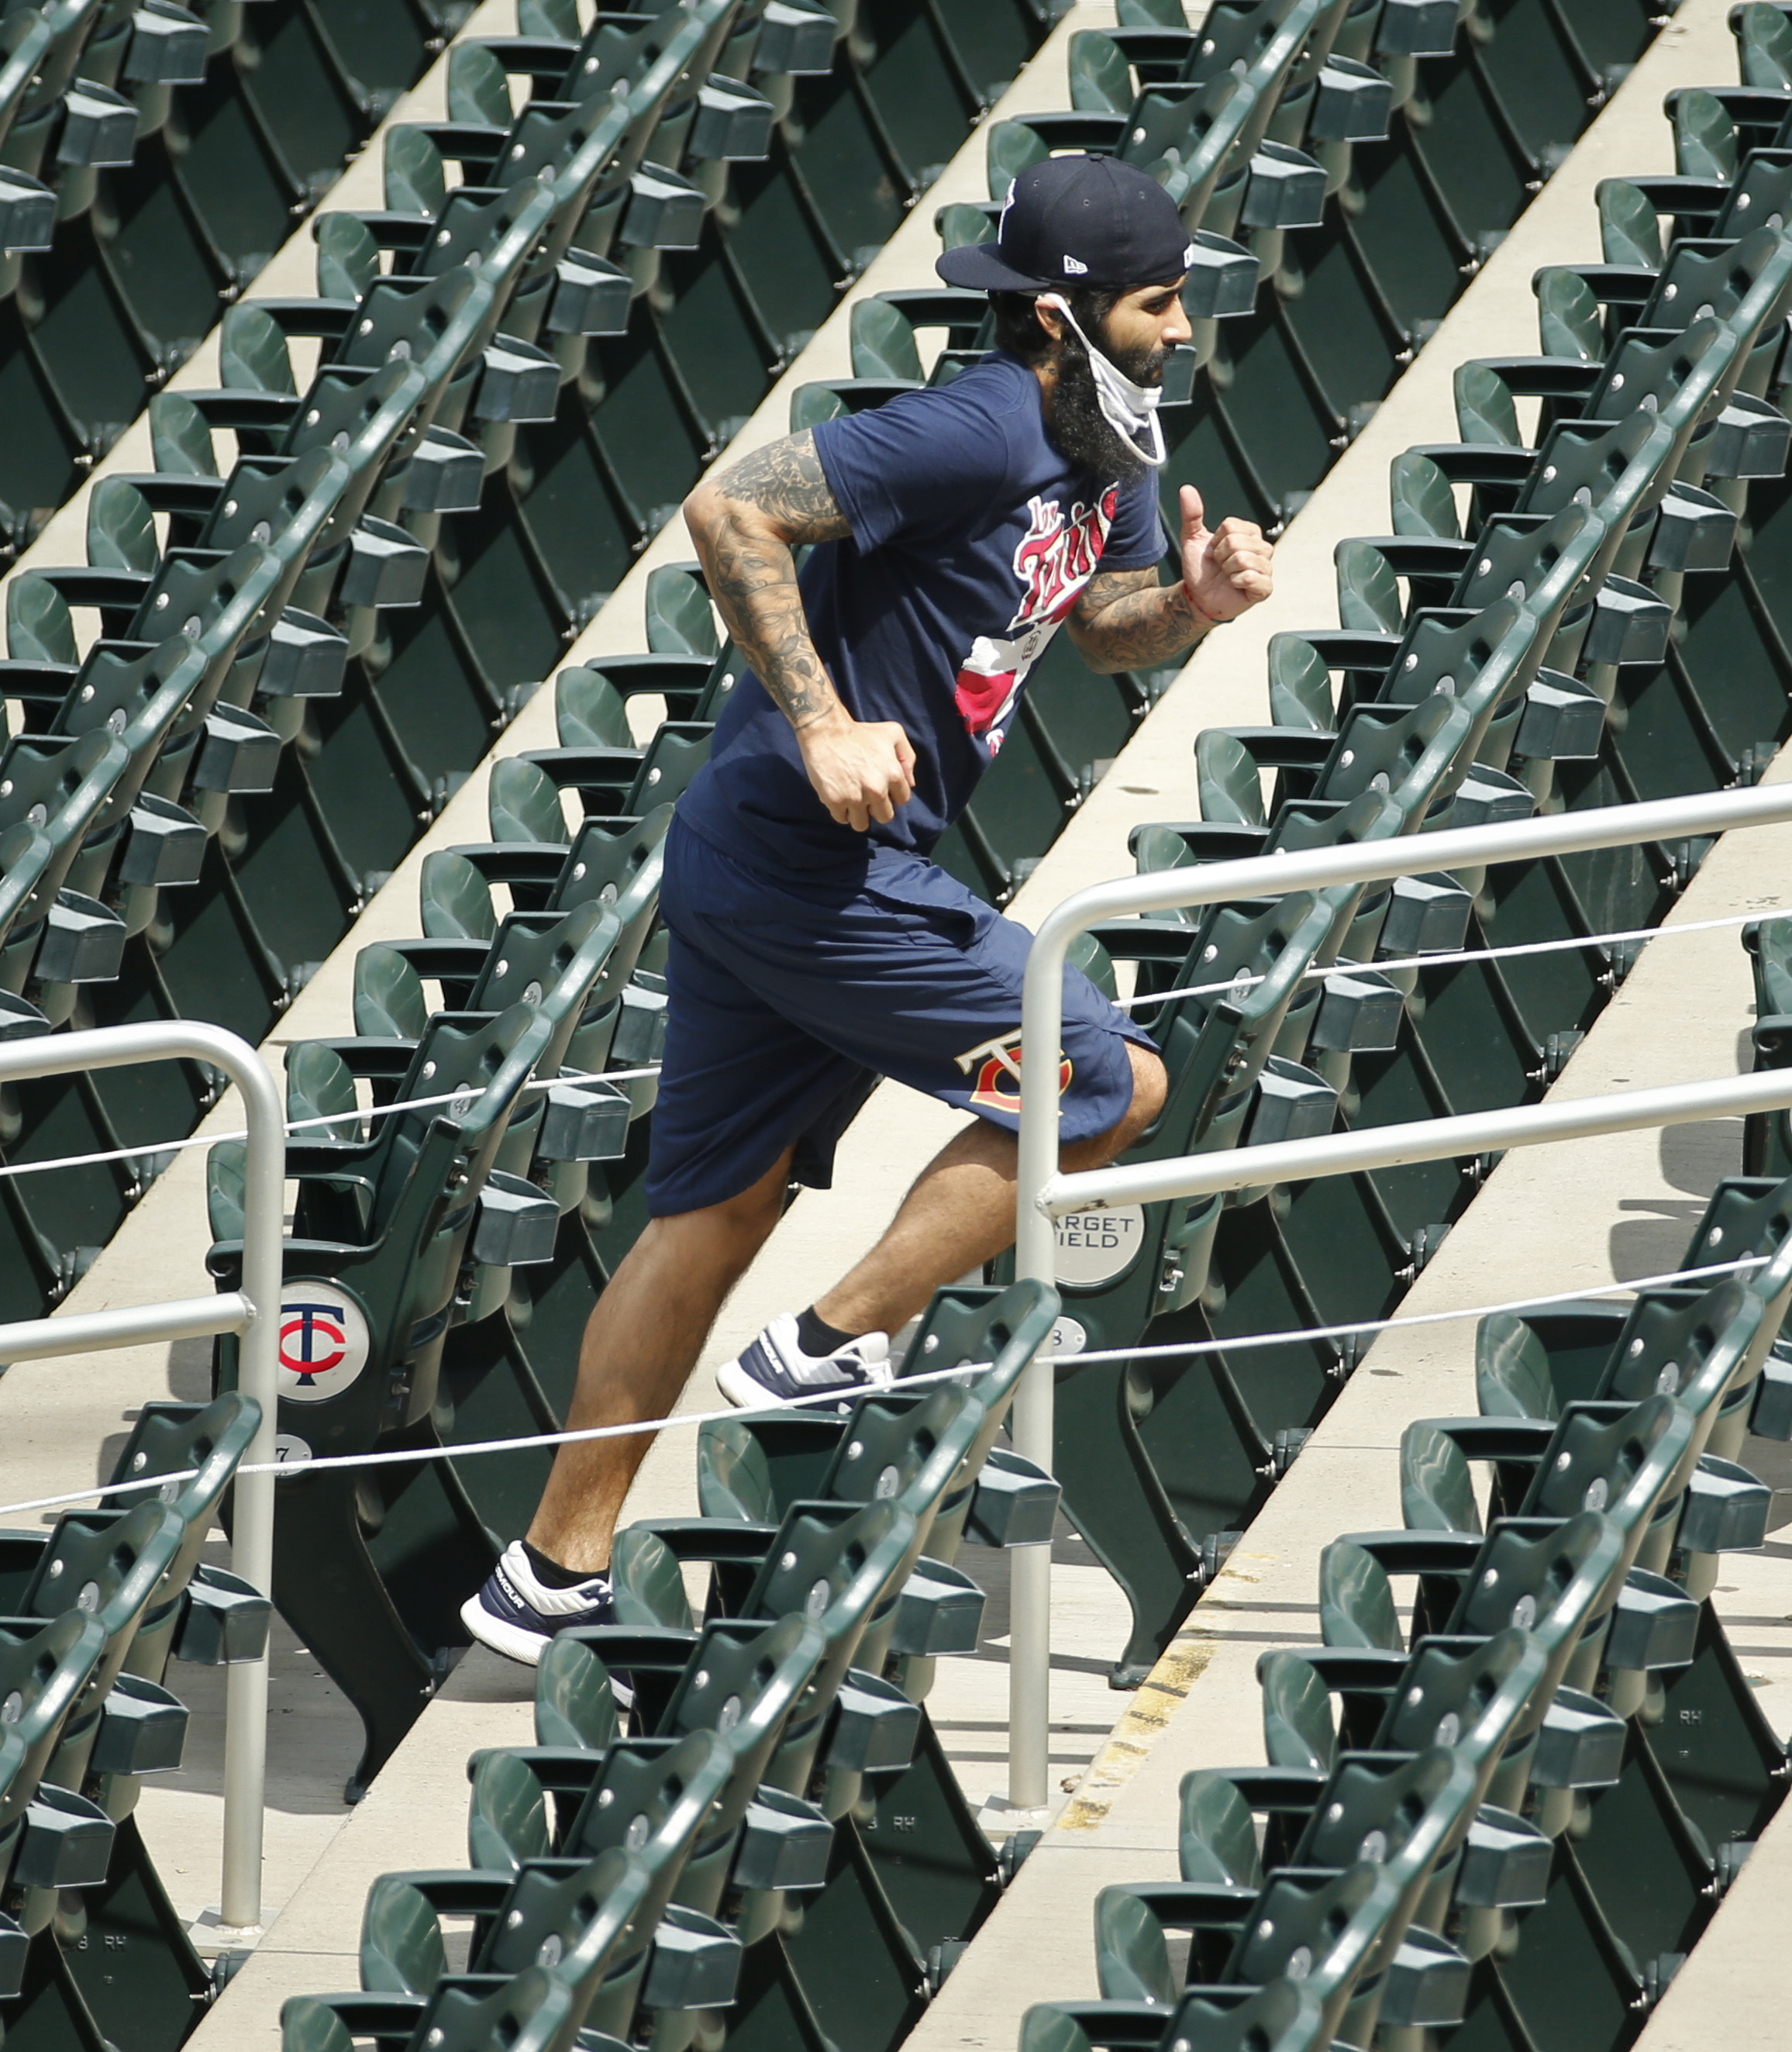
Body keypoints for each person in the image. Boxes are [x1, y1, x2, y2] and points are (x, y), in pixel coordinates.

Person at [460, 153, 1277, 1662]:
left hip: (768, 868)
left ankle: (544, 1576)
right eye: (1157, 304)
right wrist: (827, 721)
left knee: (712, 1212)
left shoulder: (1119, 443)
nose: (1181, 329)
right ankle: (830, 1338)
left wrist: (1196, 609)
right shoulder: (971, 425)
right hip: (808, 862)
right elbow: (733, 511)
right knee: (1110, 1079)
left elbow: (1097, 629)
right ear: (1060, 313)